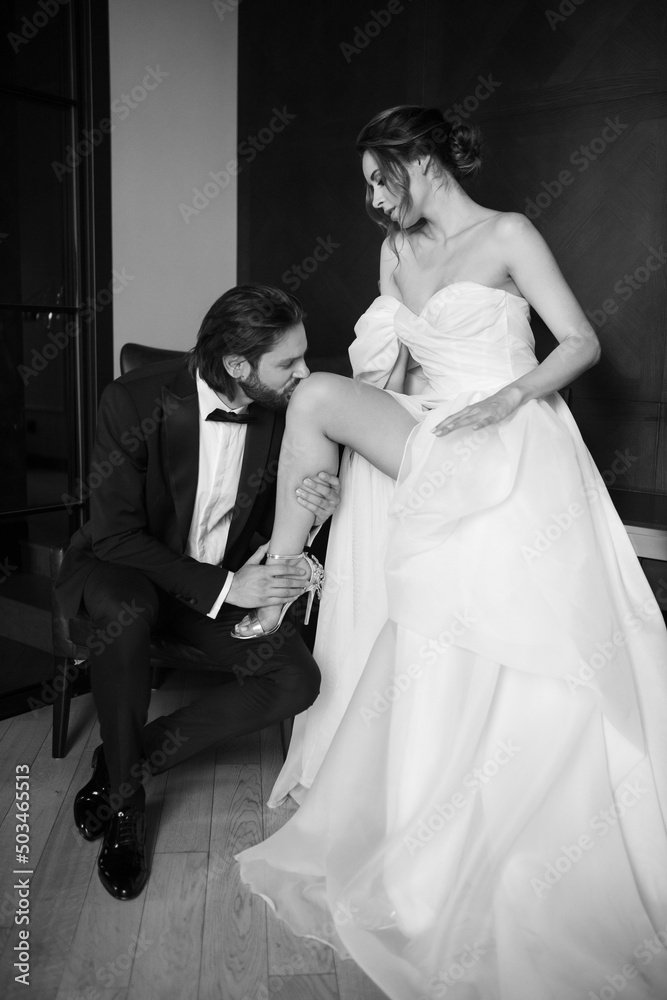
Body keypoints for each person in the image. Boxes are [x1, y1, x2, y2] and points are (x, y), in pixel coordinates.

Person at [235, 107, 667, 999]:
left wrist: (505, 402)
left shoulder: (508, 233)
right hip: (430, 424)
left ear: (420, 162)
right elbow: (383, 378)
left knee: (484, 587)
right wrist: (360, 427)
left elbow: (580, 343)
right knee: (315, 397)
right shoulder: (395, 255)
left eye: (375, 180)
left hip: (506, 422)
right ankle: (278, 584)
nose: (368, 200)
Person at [56, 284, 341, 901]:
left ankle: (122, 760)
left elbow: (268, 522)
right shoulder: (130, 401)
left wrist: (316, 510)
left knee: (296, 680)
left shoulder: (284, 410)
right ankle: (126, 808)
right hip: (126, 569)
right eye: (289, 363)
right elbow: (116, 535)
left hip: (212, 586)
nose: (306, 373)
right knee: (124, 610)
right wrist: (228, 586)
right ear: (239, 367)